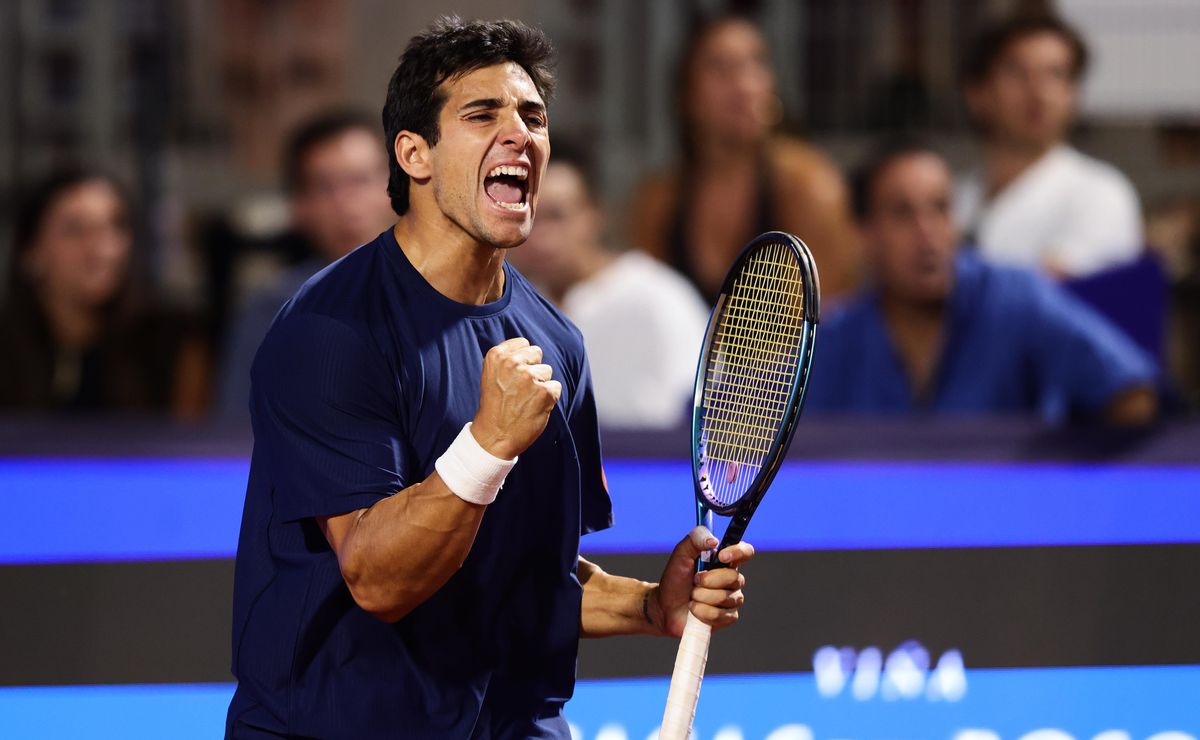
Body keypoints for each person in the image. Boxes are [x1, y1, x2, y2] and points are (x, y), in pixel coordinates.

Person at [225, 18, 754, 740]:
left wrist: (647, 605)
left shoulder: (558, 342)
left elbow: (526, 576)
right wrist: (488, 444)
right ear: (414, 154)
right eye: (482, 115)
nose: (520, 136)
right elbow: (378, 579)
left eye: (533, 117)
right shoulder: (329, 332)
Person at [804, 140, 1157, 425]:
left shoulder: (1017, 297)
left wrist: (1064, 478)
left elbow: (1132, 391)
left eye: (941, 208)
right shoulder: (833, 342)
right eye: (903, 214)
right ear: (864, 235)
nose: (928, 234)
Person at [628, 13, 860, 304]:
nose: (745, 85)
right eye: (721, 68)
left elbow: (830, 313)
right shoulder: (660, 201)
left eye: (757, 64)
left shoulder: (809, 186)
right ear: (686, 93)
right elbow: (647, 308)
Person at [507, 144, 710, 429]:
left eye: (556, 216)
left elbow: (701, 414)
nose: (541, 238)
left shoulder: (660, 296)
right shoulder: (510, 305)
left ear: (593, 215)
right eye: (527, 216)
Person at [217, 110, 396, 417]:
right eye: (325, 188)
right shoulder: (273, 310)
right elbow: (236, 429)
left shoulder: (452, 294)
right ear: (299, 206)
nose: (347, 204)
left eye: (361, 180)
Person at [0, 169, 207, 416]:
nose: (102, 250)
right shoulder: (8, 351)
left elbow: (188, 435)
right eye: (75, 230)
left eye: (115, 226)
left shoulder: (169, 347)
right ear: (31, 252)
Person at [955, 13, 1144, 278]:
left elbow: (1054, 284)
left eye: (1056, 74)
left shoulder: (1102, 193)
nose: (1038, 92)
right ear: (977, 94)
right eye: (1017, 73)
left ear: (1074, 95)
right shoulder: (955, 197)